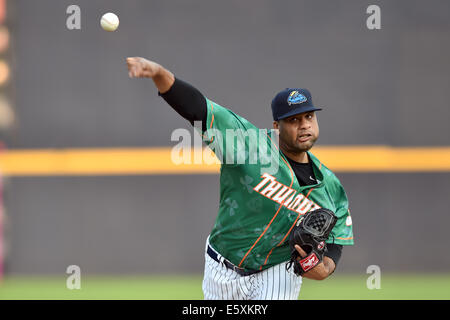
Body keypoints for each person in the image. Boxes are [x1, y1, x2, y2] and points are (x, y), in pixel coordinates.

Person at [126, 57, 354, 300]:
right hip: (221, 267)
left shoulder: (331, 188)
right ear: (277, 126)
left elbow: (330, 260)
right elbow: (197, 108)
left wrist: (312, 265)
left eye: (309, 117)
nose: (304, 125)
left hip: (276, 272)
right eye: (294, 120)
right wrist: (159, 74)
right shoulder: (248, 144)